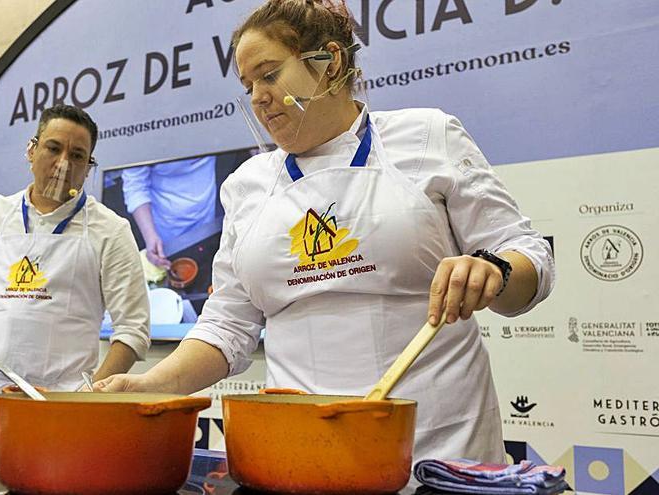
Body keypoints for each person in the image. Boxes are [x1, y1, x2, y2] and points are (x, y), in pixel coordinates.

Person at [96, 0, 555, 465]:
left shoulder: (427, 137)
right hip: (302, 451)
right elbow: (228, 325)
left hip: (438, 451)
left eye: (270, 74)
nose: (257, 96)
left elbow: (528, 256)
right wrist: (150, 384)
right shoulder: (248, 186)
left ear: (330, 62)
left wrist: (494, 270)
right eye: (248, 84)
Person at [0, 104, 150, 422]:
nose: (63, 164)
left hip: (64, 404)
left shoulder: (109, 229)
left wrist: (88, 398)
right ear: (31, 150)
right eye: (53, 149)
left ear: (88, 166)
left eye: (78, 156)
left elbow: (133, 333)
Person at [122, 156, 218, 269]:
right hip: (168, 226)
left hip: (208, 215)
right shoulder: (141, 141)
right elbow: (135, 186)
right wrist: (150, 236)